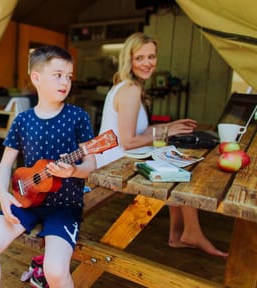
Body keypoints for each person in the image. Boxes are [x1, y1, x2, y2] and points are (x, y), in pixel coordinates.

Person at [96, 32, 228, 258]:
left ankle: (180, 233)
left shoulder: (129, 86)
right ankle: (189, 233)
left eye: (151, 57)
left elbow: (140, 132)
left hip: (121, 155)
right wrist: (166, 131)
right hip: (115, 161)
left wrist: (172, 126)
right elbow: (128, 142)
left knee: (175, 161)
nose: (147, 63)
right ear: (129, 59)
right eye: (140, 58)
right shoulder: (130, 89)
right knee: (180, 169)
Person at [0, 45, 96, 287]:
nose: (65, 82)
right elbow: (5, 165)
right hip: (27, 199)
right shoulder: (23, 120)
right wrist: (3, 195)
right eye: (58, 75)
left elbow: (91, 161)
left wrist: (75, 171)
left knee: (54, 270)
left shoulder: (77, 117)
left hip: (64, 205)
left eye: (69, 76)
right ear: (36, 78)